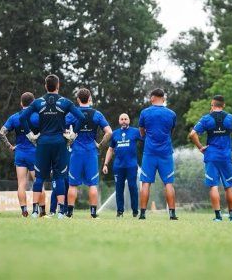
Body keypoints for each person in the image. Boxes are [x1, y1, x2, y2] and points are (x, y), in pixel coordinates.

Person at [19, 75, 85, 219]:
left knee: (39, 178)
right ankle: (61, 212)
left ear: (45, 86)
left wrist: (30, 135)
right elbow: (82, 117)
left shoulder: (37, 102)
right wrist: (74, 135)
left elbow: (22, 118)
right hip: (60, 143)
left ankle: (35, 211)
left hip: (42, 142)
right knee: (59, 177)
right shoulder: (65, 102)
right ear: (58, 85)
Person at [65, 88, 112, 218]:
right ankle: (92, 213)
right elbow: (109, 132)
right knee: (92, 184)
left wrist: (69, 139)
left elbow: (61, 128)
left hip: (76, 152)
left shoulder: (72, 113)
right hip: (91, 152)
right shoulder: (97, 114)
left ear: (78, 99)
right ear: (90, 98)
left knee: (73, 184)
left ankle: (69, 213)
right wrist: (100, 145)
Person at [189, 95, 232, 222]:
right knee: (229, 186)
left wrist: (200, 147)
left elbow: (192, 134)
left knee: (213, 186)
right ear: (223, 105)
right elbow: (228, 130)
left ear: (212, 105)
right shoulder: (230, 117)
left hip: (212, 155)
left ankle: (218, 216)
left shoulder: (206, 119)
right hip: (226, 156)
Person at [0, 92, 43, 218]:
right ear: (33, 103)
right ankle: (40, 210)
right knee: (38, 182)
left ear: (21, 103)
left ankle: (24, 210)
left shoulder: (14, 117)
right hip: (35, 153)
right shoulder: (38, 116)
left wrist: (10, 146)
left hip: (20, 153)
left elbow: (1, 134)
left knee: (21, 183)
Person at [139, 88, 178, 221]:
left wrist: (148, 136)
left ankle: (142, 214)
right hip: (166, 153)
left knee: (145, 183)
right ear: (164, 98)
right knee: (168, 183)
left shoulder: (145, 112)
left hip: (149, 152)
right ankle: (172, 214)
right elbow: (171, 131)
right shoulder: (171, 114)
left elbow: (142, 131)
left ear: (152, 98)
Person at [103, 113, 143, 218]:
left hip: (131, 166)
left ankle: (135, 211)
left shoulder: (135, 132)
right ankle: (120, 212)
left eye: (126, 119)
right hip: (118, 167)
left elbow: (147, 139)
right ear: (119, 121)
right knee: (119, 189)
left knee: (133, 187)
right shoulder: (115, 134)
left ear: (129, 120)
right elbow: (110, 149)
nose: (124, 121)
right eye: (122, 119)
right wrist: (105, 164)